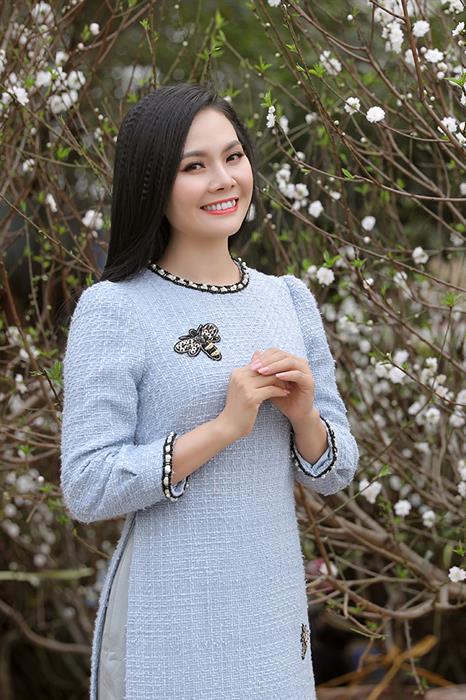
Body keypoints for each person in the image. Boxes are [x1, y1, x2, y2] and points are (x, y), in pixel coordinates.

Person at [60, 81, 359, 700]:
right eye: (194, 166)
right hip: (170, 617)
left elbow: (336, 471)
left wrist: (304, 416)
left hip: (275, 614)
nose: (224, 180)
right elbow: (87, 485)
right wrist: (222, 429)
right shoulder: (115, 309)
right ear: (152, 184)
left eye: (233, 156)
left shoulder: (288, 300)